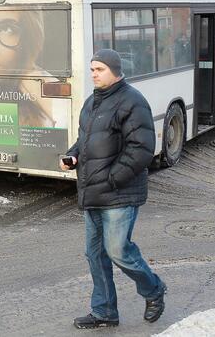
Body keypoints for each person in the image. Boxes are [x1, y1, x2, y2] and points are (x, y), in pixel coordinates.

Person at [60, 48, 166, 329]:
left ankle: (154, 290)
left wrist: (111, 179)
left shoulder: (133, 101)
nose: (94, 74)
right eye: (92, 69)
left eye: (99, 69)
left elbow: (142, 150)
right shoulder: (92, 102)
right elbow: (86, 140)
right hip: (92, 191)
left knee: (118, 250)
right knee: (95, 254)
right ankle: (104, 311)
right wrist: (73, 156)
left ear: (115, 71)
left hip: (118, 193)